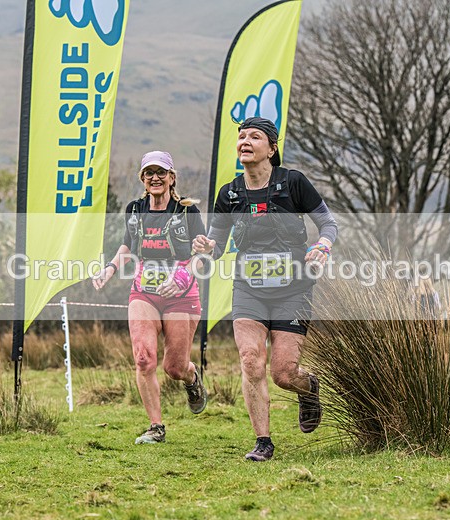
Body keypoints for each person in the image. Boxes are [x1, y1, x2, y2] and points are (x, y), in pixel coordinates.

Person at [192, 117, 339, 461]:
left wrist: (323, 245)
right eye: (241, 136)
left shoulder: (293, 183)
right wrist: (206, 246)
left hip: (294, 289)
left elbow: (327, 222)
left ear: (271, 149)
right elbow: (217, 241)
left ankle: (308, 387)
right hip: (249, 289)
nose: (245, 141)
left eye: (254, 137)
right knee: (250, 361)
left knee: (284, 373)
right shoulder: (230, 194)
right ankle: (263, 441)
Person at [92, 151, 208, 445]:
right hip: (144, 291)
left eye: (161, 172)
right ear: (142, 179)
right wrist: (109, 269)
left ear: (171, 178)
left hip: (181, 295)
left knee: (174, 368)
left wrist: (182, 276)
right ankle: (156, 427)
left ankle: (192, 378)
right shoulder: (135, 209)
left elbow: (202, 256)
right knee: (143, 359)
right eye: (148, 173)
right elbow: (128, 245)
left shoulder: (187, 212)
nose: (155, 177)